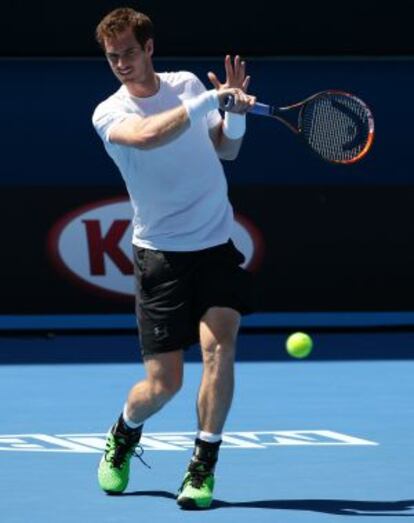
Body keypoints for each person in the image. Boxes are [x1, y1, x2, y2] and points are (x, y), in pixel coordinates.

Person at [92, 7, 257, 510]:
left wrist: (235, 116)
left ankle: (203, 464)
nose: (120, 62)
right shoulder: (109, 112)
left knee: (219, 347)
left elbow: (224, 150)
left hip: (215, 245)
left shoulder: (183, 83)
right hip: (160, 257)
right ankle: (125, 430)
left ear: (149, 49)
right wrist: (211, 97)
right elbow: (148, 137)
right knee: (163, 385)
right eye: (112, 56)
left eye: (128, 52)